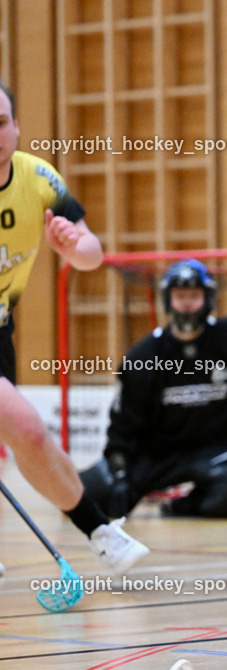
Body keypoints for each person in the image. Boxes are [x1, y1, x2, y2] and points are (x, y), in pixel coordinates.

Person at [0, 81, 149, 575]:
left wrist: (70, 247)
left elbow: (93, 252)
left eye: (1, 123)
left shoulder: (38, 178)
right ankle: (102, 533)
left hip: (2, 331)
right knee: (26, 428)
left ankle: (101, 533)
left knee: (23, 439)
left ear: (17, 128)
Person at [79, 259, 227, 518]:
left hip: (215, 449)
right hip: (156, 453)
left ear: (207, 299)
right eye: (180, 296)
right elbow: (122, 426)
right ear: (167, 300)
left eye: (194, 296)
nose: (187, 304)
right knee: (88, 495)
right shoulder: (144, 356)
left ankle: (183, 505)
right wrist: (119, 474)